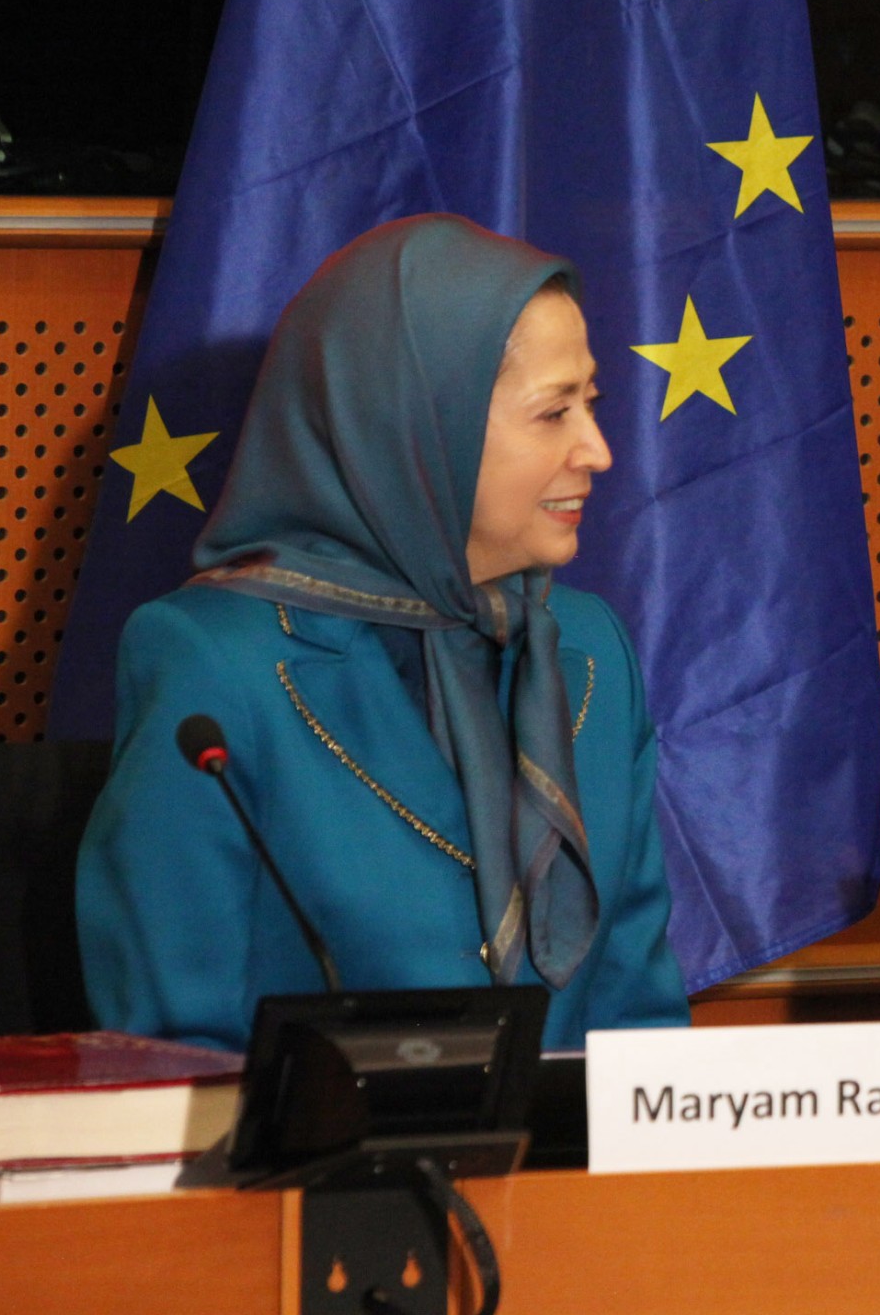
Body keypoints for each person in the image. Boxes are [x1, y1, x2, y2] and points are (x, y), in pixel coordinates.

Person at [77, 215, 690, 1050]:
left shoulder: (590, 651)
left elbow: (639, 1024)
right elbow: (168, 1058)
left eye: (592, 403)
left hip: (563, 1173)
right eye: (554, 413)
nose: (599, 449)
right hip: (306, 1178)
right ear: (415, 426)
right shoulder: (213, 663)